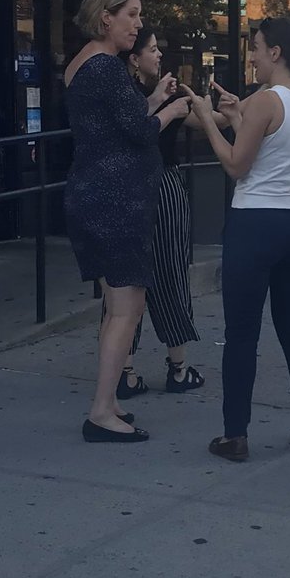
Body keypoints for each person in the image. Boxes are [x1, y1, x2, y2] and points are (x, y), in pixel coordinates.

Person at [191, 17, 290, 462]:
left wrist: (212, 123)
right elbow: (256, 138)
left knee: (242, 334)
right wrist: (229, 115)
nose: (250, 55)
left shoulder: (266, 101)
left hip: (254, 223)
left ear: (276, 52)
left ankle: (236, 435)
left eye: (256, 47)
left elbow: (235, 164)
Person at [64, 0, 191, 443]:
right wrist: (173, 109)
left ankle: (110, 401)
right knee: (124, 307)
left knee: (123, 305)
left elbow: (115, 123)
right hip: (116, 199)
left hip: (95, 194)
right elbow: (138, 132)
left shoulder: (83, 65)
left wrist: (154, 100)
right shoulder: (107, 67)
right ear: (106, 19)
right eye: (132, 15)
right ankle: (101, 409)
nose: (138, 25)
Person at [117, 27, 224, 397]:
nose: (159, 55)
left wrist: (219, 108)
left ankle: (124, 370)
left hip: (126, 191)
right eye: (151, 49)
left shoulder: (139, 93)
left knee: (125, 280)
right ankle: (177, 367)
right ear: (134, 58)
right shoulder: (144, 96)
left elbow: (205, 122)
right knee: (169, 271)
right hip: (158, 185)